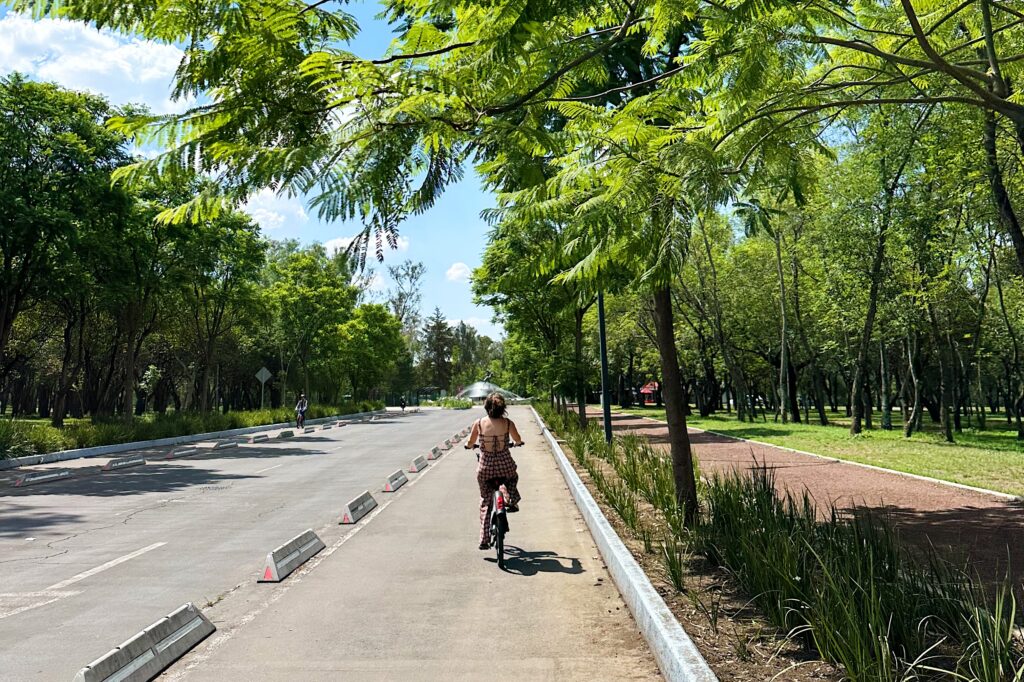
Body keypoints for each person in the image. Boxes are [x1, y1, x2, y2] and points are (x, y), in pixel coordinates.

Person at [464, 393, 523, 550]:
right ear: (503, 408)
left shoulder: (479, 423)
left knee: (485, 500)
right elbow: (518, 439)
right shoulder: (508, 423)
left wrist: (469, 446)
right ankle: (511, 498)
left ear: (486, 407)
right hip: (505, 465)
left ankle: (484, 539)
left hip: (486, 467)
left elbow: (470, 442)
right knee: (512, 477)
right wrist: (518, 443)